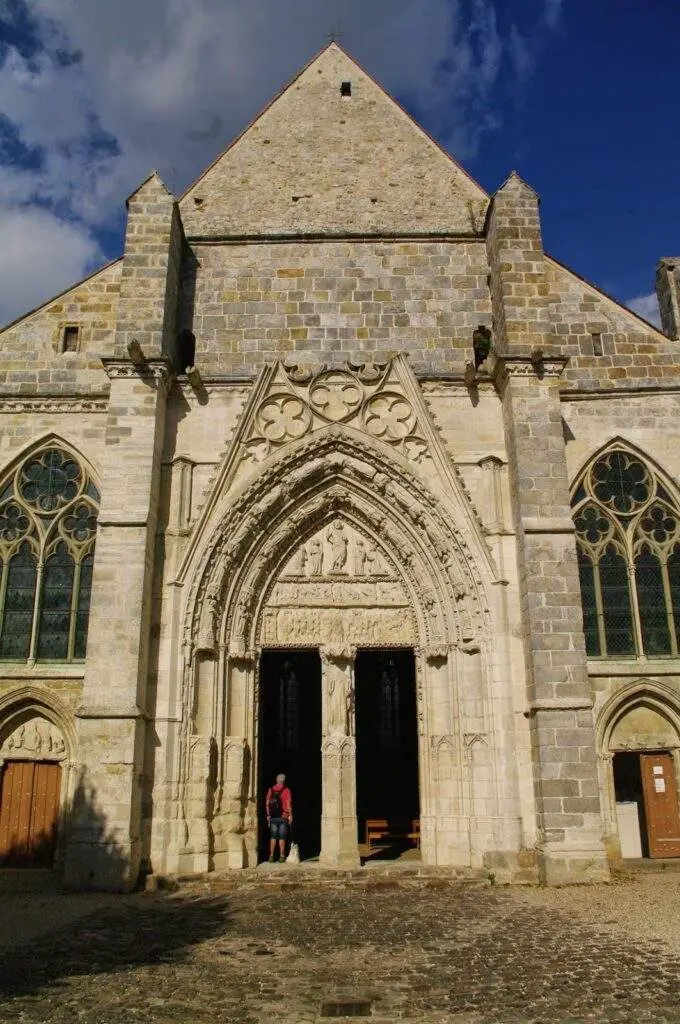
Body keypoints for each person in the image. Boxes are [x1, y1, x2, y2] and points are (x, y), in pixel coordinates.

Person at [266, 772, 293, 862]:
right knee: (282, 837)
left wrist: (268, 815)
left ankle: (271, 856)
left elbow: (267, 804)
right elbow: (288, 804)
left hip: (273, 817)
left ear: (277, 780)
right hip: (283, 816)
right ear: (284, 781)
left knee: (273, 837)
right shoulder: (286, 790)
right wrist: (290, 815)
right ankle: (282, 856)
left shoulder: (271, 789)